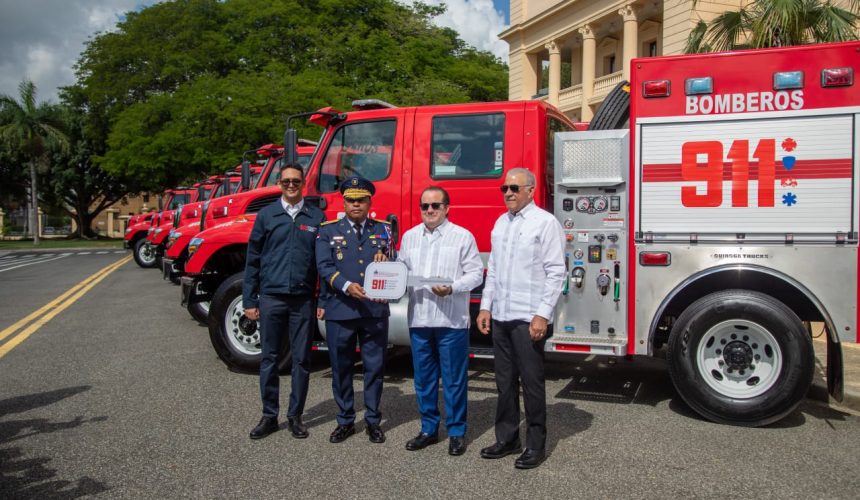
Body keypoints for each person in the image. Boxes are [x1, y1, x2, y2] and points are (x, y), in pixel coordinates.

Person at [477, 167, 565, 469]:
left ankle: (535, 445)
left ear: (531, 190)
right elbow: (495, 270)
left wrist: (542, 314)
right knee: (504, 383)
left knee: (531, 383)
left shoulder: (545, 223)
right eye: (505, 189)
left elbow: (556, 272)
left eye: (515, 188)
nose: (509, 193)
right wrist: (485, 307)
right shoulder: (501, 224)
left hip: (528, 317)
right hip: (501, 315)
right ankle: (507, 438)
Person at [397, 186, 483, 456]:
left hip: (451, 320)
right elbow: (401, 272)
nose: (430, 210)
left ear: (447, 208)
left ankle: (456, 432)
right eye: (425, 206)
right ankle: (428, 429)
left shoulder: (462, 236)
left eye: (435, 205)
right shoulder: (409, 238)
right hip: (420, 319)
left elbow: (476, 273)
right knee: (424, 379)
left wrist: (453, 287)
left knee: (454, 379)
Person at [243, 163, 325, 440]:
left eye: (296, 181)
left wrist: (322, 297)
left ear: (304, 184)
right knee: (269, 358)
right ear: (279, 183)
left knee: (301, 360)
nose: (292, 185)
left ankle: (295, 416)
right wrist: (248, 299)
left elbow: (323, 263)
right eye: (287, 181)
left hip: (302, 300)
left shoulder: (316, 217)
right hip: (271, 298)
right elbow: (252, 260)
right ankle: (269, 415)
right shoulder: (266, 215)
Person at [316, 176, 391, 444]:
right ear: (344, 202)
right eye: (351, 200)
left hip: (374, 310)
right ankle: (345, 420)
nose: (356, 204)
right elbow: (324, 267)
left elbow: (396, 264)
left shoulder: (384, 230)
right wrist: (347, 286)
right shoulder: (327, 230)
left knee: (374, 367)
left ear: (370, 201)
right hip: (341, 309)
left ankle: (373, 420)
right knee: (342, 368)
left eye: (361, 200)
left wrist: (388, 259)